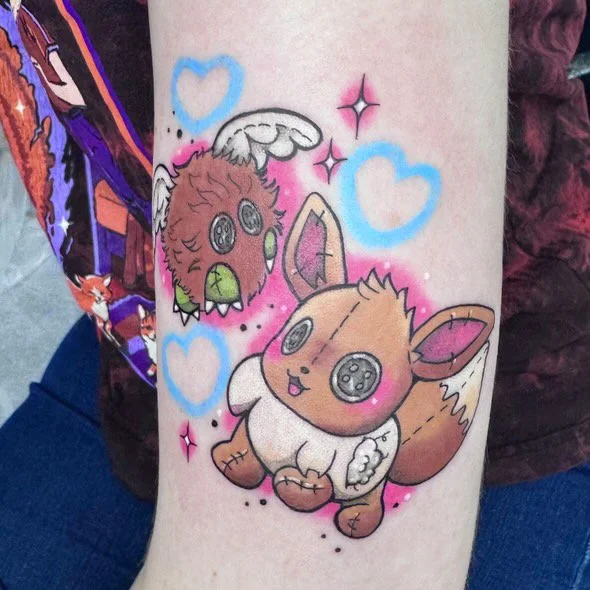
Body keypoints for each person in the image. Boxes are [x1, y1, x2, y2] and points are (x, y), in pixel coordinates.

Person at [0, 1, 587, 589]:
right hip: (138, 350)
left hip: (514, 432)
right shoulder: (265, 367)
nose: (303, 373)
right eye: (299, 335)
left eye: (354, 376)